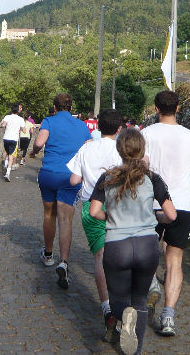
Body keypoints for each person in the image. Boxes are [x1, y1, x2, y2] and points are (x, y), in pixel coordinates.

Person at [89, 128, 176, 355]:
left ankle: (123, 315)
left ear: (120, 150)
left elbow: (93, 211)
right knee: (140, 299)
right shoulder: (152, 178)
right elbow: (172, 214)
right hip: (147, 245)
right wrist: (157, 218)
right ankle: (135, 352)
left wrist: (110, 217)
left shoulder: (107, 178)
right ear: (142, 150)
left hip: (117, 245)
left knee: (119, 299)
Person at [141, 90, 190, 336]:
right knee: (174, 261)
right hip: (181, 204)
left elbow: (141, 166)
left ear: (156, 109)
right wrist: (184, 174)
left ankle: (149, 285)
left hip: (151, 204)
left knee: (147, 252)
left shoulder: (146, 134)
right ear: (178, 108)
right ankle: (169, 316)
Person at [67, 109, 123, 338]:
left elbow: (74, 179)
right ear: (120, 128)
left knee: (100, 257)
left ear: (97, 126)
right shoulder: (122, 150)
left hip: (91, 207)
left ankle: (107, 308)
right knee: (123, 253)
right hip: (119, 207)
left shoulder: (86, 148)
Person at [29, 93, 91, 289]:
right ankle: (64, 261)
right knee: (65, 219)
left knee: (49, 213)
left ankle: (48, 254)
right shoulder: (81, 126)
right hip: (70, 177)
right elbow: (89, 148)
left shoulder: (49, 121)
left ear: (54, 107)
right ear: (71, 108)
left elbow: (39, 142)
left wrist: (34, 152)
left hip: (49, 174)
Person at [1, 103, 26, 182]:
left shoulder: (7, 117)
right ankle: (8, 173)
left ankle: (5, 164)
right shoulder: (20, 119)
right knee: (11, 155)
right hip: (14, 139)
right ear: (18, 110)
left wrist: (3, 122)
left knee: (7, 153)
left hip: (6, 138)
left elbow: (3, 125)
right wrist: (20, 128)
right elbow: (24, 130)